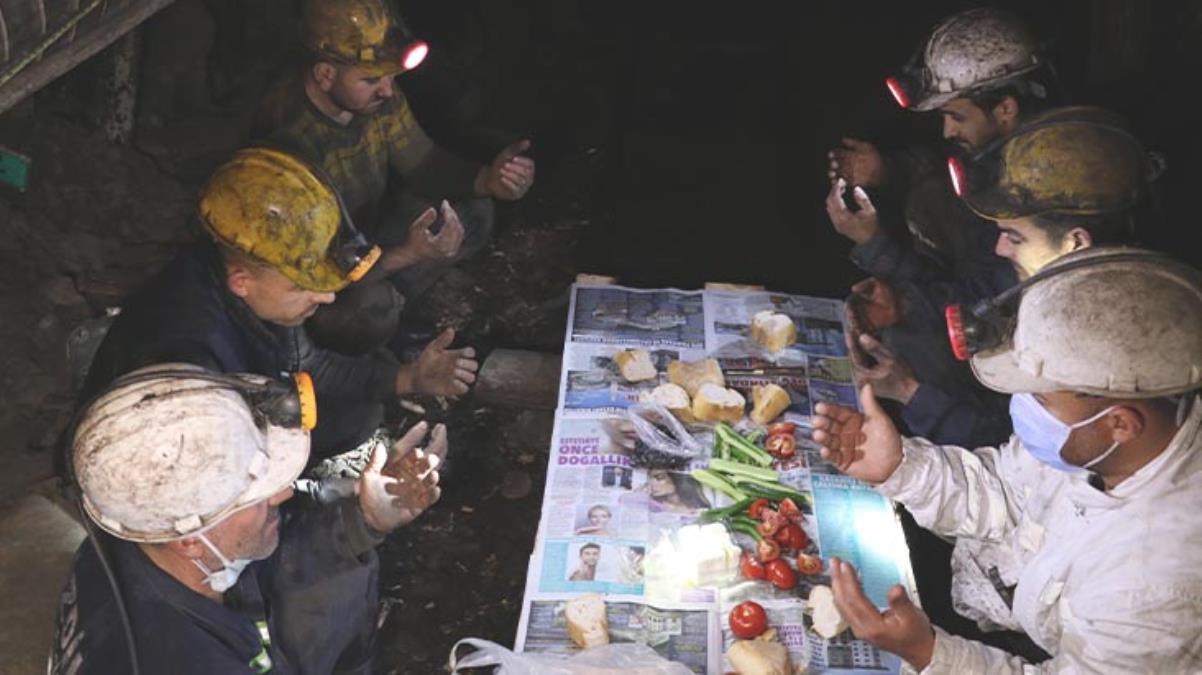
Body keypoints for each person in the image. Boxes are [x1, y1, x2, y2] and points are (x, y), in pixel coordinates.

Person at [810, 248, 1202, 672]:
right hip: (1006, 608)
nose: (1023, 407)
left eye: (1041, 399)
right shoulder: (1097, 443)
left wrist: (930, 654)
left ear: (1121, 424)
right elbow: (1005, 490)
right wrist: (901, 467)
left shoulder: (1159, 585)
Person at [80, 147, 477, 464]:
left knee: (358, 418)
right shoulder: (192, 365)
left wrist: (409, 379)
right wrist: (356, 503)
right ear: (242, 282)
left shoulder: (248, 277)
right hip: (158, 465)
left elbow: (307, 363)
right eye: (305, 286)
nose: (325, 298)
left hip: (235, 406)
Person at [50, 366, 448, 673]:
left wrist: (366, 518)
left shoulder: (139, 528)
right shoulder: (184, 660)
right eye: (260, 496)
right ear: (189, 539)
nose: (285, 492)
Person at [824, 8, 1063, 449]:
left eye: (956, 116)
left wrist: (882, 259)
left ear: (1006, 108)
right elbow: (941, 177)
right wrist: (888, 173)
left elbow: (980, 295)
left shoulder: (1038, 198)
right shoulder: (997, 158)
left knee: (900, 342)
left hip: (989, 415)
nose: (947, 129)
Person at [848, 106, 1152, 448]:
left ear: (1075, 243)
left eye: (1015, 237)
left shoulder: (1099, 334)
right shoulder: (1046, 275)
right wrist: (902, 303)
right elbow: (978, 292)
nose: (1000, 248)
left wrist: (911, 394)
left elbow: (1008, 446)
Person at [253, 0, 536, 353]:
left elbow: (423, 162)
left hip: (371, 226)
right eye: (371, 79)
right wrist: (409, 253)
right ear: (325, 74)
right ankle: (391, 335)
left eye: (390, 76)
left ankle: (404, 297)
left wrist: (490, 179)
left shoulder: (373, 98)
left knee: (476, 207)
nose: (387, 90)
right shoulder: (290, 141)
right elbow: (315, 270)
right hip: (324, 265)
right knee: (362, 311)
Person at [643, 469, 711, 513]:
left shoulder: (704, 494)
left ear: (675, 477)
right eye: (649, 479)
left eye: (659, 478)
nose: (652, 484)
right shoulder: (654, 506)